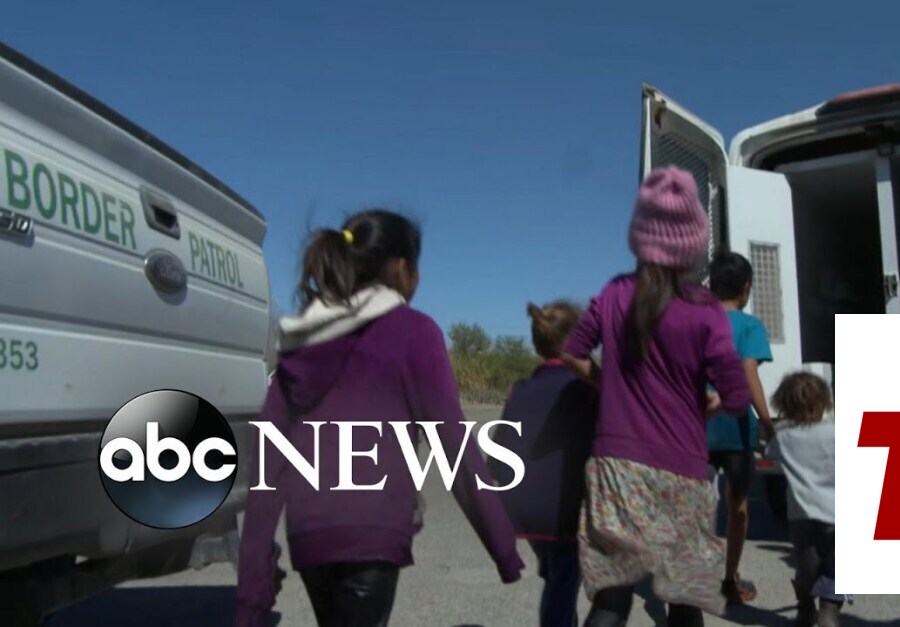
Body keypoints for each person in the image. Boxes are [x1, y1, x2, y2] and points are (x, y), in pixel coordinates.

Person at [234, 210, 524, 627]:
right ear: (402, 268)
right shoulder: (413, 331)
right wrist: (503, 547)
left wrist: (253, 582)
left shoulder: (301, 340)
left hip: (309, 535)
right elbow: (453, 444)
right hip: (372, 534)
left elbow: (269, 457)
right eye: (417, 267)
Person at [561, 166, 752, 627]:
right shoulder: (705, 310)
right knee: (683, 603)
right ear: (692, 244)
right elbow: (736, 394)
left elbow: (571, 351)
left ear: (640, 235)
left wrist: (606, 383)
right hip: (682, 473)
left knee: (611, 602)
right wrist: (711, 406)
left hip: (616, 469)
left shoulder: (614, 293)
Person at [488, 301, 599, 627]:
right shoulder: (586, 389)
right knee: (561, 588)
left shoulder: (519, 390)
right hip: (568, 510)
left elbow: (498, 453)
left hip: (526, 509)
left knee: (558, 579)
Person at [705, 251, 776, 605]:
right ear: (746, 287)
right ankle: (729, 579)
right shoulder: (750, 326)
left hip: (696, 427)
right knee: (738, 507)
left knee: (695, 507)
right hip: (736, 429)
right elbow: (748, 375)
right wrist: (767, 423)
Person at [764, 372, 849, 627]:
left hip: (801, 516)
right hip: (838, 515)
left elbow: (768, 455)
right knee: (837, 567)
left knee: (807, 566)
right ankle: (829, 610)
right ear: (824, 402)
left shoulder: (782, 438)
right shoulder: (837, 433)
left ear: (784, 405)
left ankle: (805, 606)